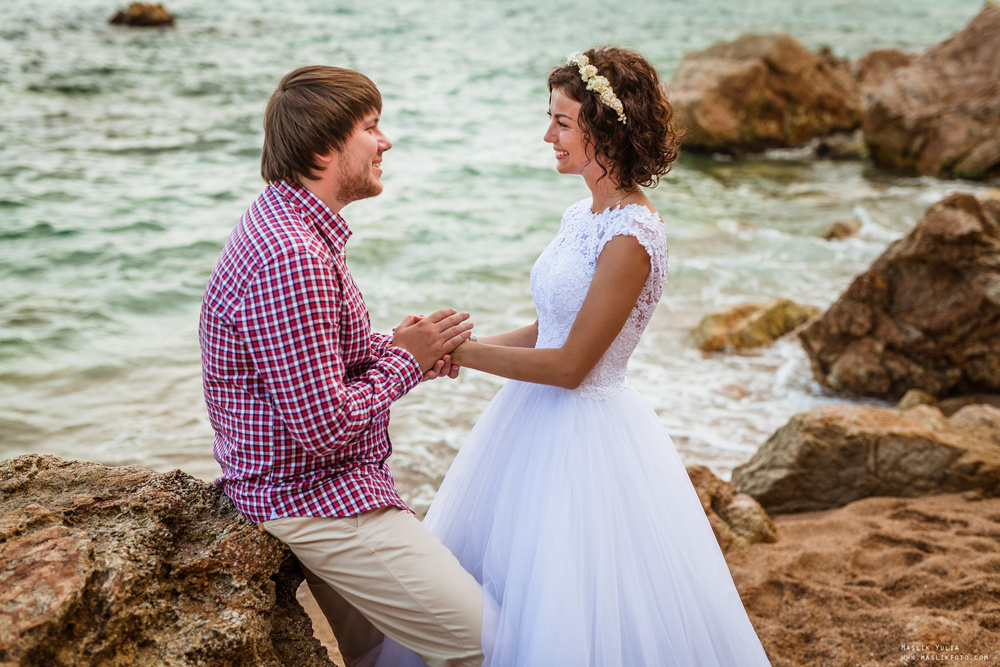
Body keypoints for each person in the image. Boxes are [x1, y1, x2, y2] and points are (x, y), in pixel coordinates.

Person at [377, 48, 771, 666]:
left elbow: (571, 366)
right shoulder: (582, 214)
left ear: (605, 128)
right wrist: (447, 346)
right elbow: (550, 328)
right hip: (528, 424)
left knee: (574, 601)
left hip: (588, 435)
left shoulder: (632, 234)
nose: (547, 135)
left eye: (561, 122)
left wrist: (469, 355)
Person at [198, 66, 486, 667]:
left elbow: (312, 358)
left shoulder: (292, 225)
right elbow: (323, 427)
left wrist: (401, 347)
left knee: (380, 657)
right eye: (372, 128)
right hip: (315, 495)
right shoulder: (292, 256)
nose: (386, 142)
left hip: (309, 482)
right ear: (325, 147)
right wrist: (407, 364)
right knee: (488, 644)